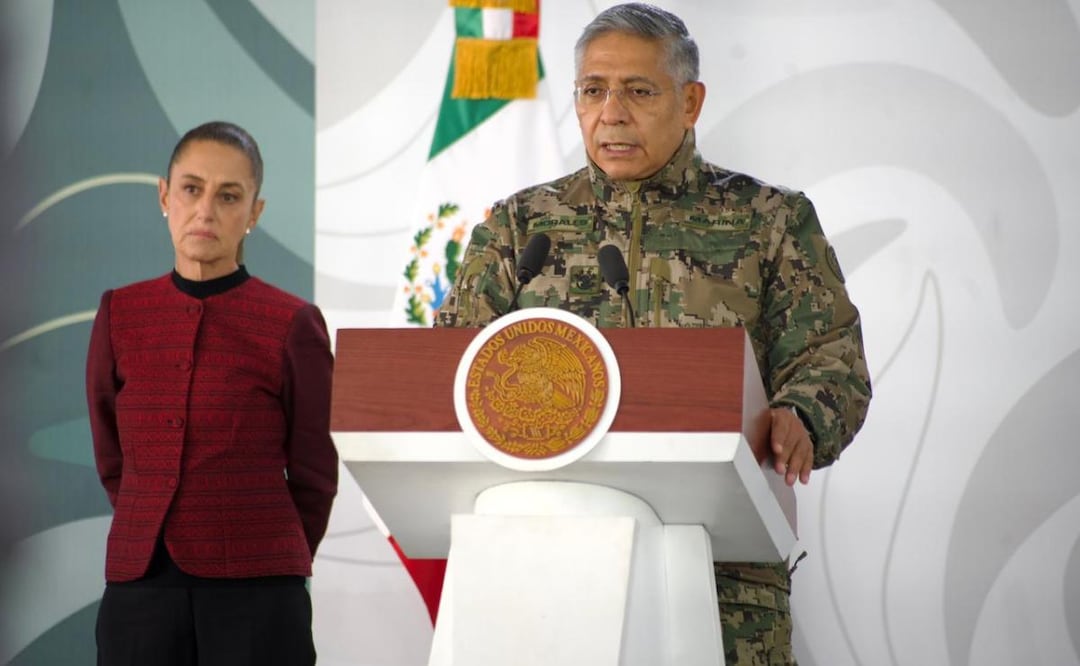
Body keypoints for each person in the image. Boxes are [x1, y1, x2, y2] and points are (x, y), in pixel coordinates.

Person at [435, 3, 872, 664]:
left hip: (720, 583)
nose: (611, 113)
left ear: (690, 102)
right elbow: (453, 367)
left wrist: (803, 415)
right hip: (544, 572)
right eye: (592, 91)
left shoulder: (768, 219)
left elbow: (830, 354)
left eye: (638, 91)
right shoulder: (521, 227)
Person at [86, 121, 338, 666]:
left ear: (254, 212)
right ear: (164, 196)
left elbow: (316, 472)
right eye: (191, 189)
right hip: (140, 587)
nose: (205, 211)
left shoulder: (292, 321)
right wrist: (150, 519)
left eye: (229, 196)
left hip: (260, 594)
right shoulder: (120, 313)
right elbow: (112, 458)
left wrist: (271, 556)